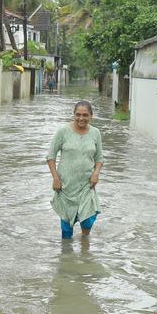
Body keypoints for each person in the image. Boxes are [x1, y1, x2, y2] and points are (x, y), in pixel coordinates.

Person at [47, 101, 103, 239]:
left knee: (88, 219)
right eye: (78, 115)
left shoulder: (95, 133)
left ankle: (85, 247)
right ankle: (66, 255)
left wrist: (96, 173)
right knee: (66, 228)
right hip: (66, 185)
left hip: (86, 184)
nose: (81, 118)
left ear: (91, 116)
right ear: (73, 115)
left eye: (85, 115)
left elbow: (99, 158)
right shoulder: (63, 132)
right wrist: (55, 178)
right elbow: (51, 156)